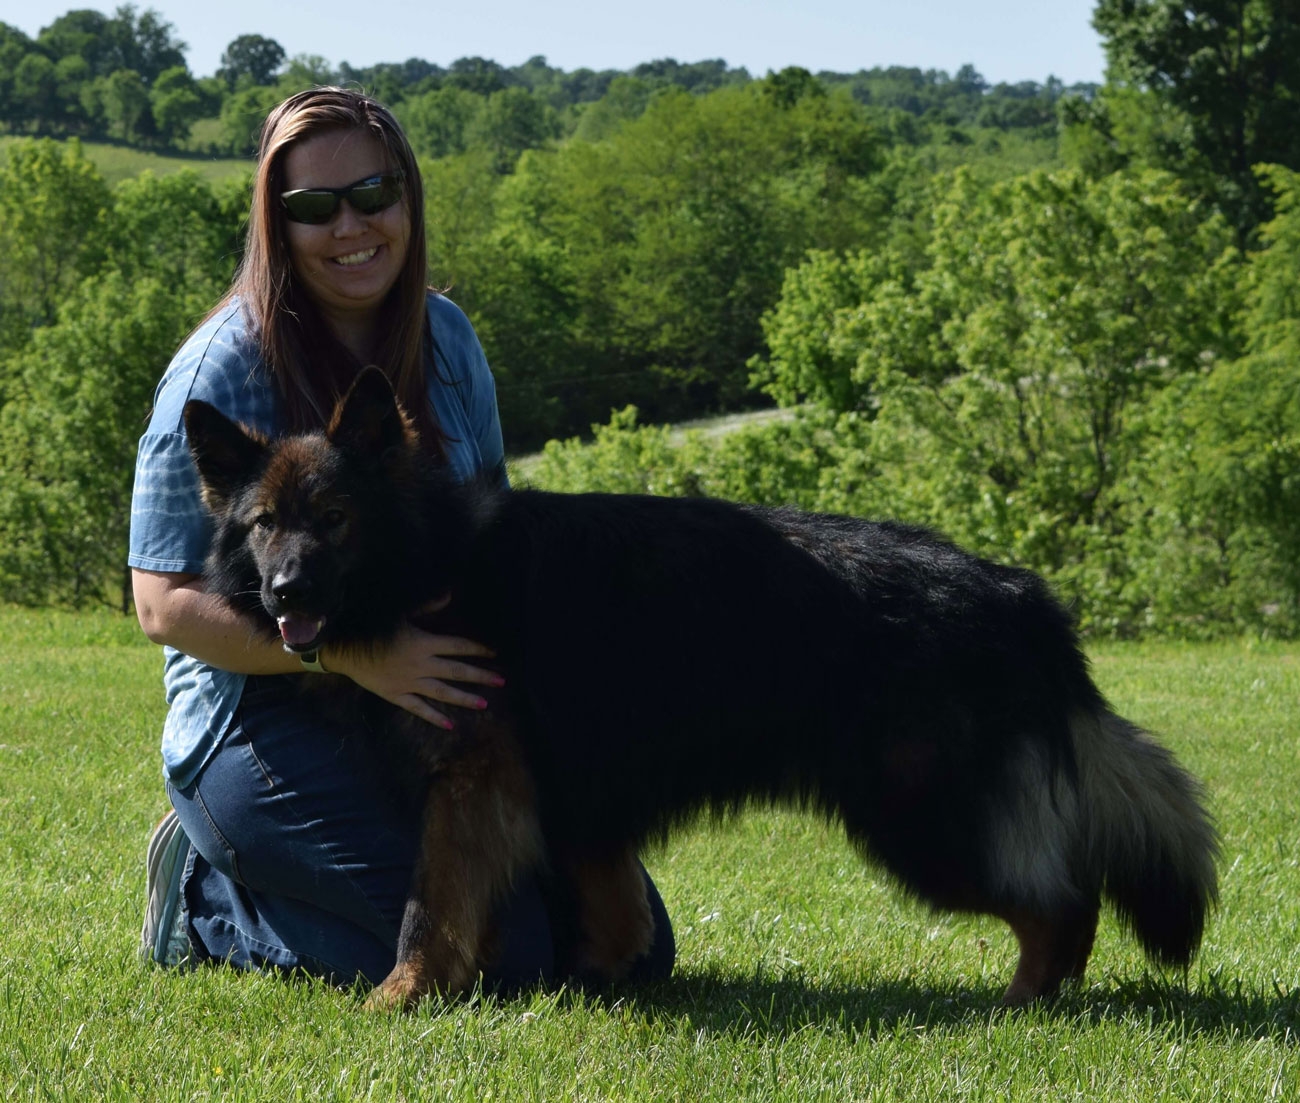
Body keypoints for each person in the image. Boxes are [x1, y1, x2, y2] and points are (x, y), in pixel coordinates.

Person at [128, 87, 674, 990]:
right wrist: (352, 658)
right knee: (499, 963)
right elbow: (162, 606)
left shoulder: (448, 339)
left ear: (409, 200)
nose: (351, 225)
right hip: (259, 715)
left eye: (375, 194)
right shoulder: (223, 363)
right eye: (314, 206)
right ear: (277, 221)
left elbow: (495, 542)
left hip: (439, 707)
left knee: (628, 949)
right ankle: (209, 897)